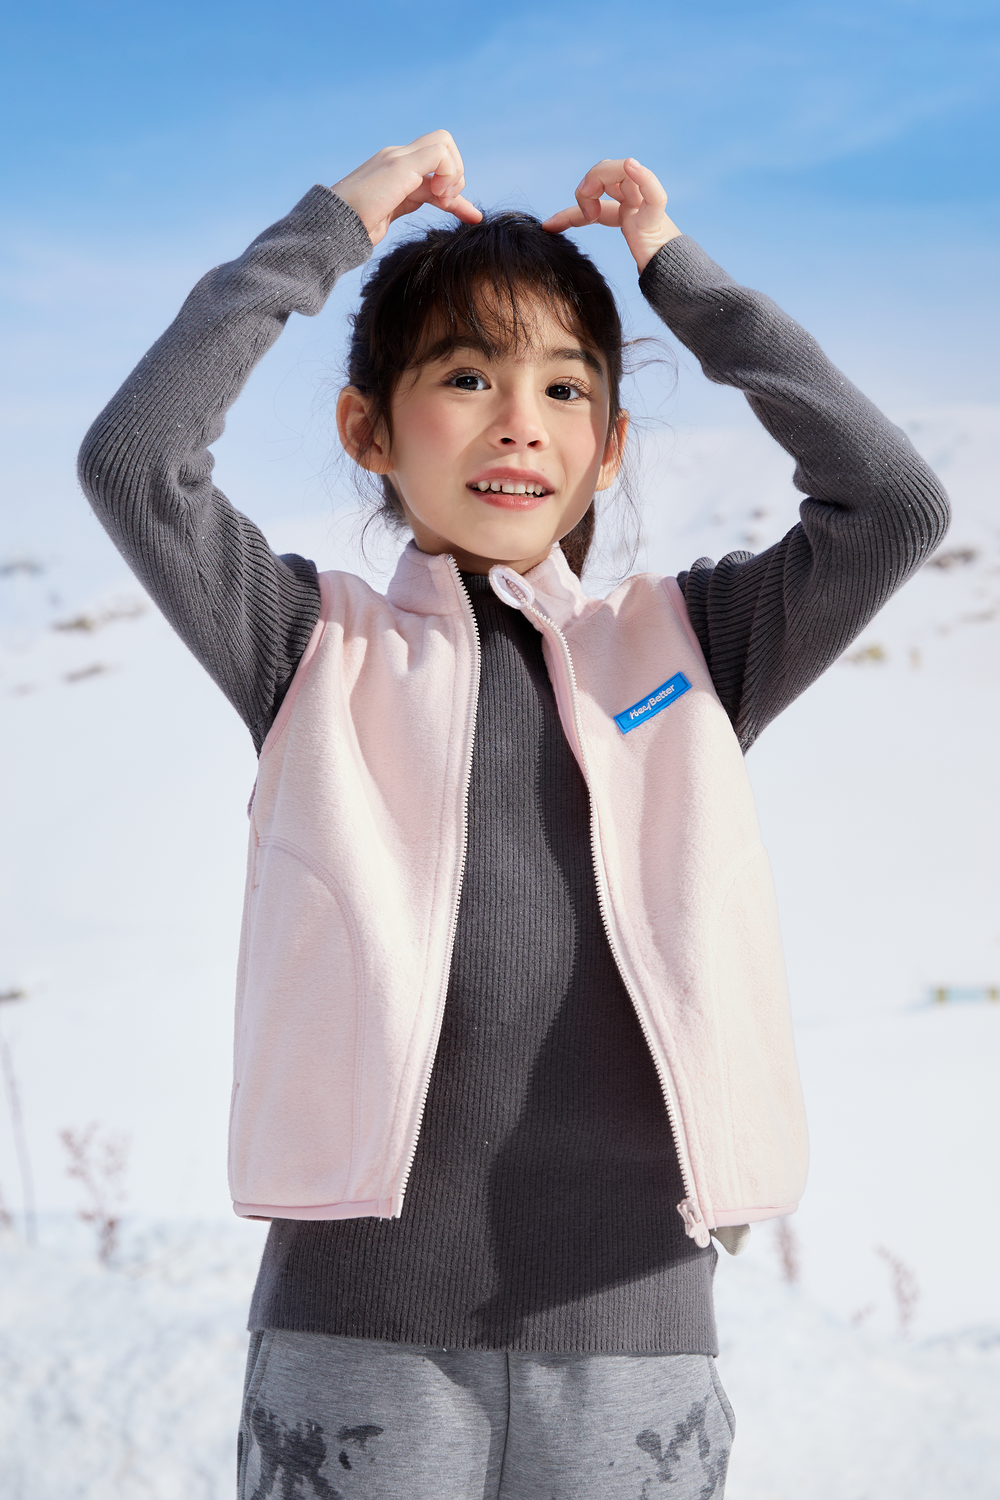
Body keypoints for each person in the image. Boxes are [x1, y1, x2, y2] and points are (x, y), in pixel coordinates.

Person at [78, 130, 949, 1499]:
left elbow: (893, 503)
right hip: (356, 1336)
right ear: (369, 426)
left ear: (607, 450)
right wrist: (332, 226)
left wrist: (674, 276)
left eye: (563, 388)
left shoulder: (692, 648)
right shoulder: (309, 647)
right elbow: (138, 461)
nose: (517, 422)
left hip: (634, 1332)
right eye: (466, 376)